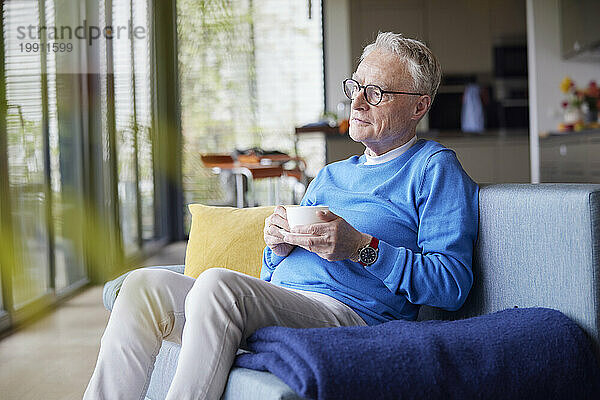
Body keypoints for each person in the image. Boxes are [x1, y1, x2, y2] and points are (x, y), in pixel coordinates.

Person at [84, 32, 478, 400]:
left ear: (419, 106)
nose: (357, 103)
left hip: (352, 317)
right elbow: (270, 276)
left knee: (216, 286)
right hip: (288, 302)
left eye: (376, 93)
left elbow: (451, 285)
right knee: (142, 287)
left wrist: (363, 248)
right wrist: (276, 246)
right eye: (356, 87)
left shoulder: (433, 167)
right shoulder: (330, 175)